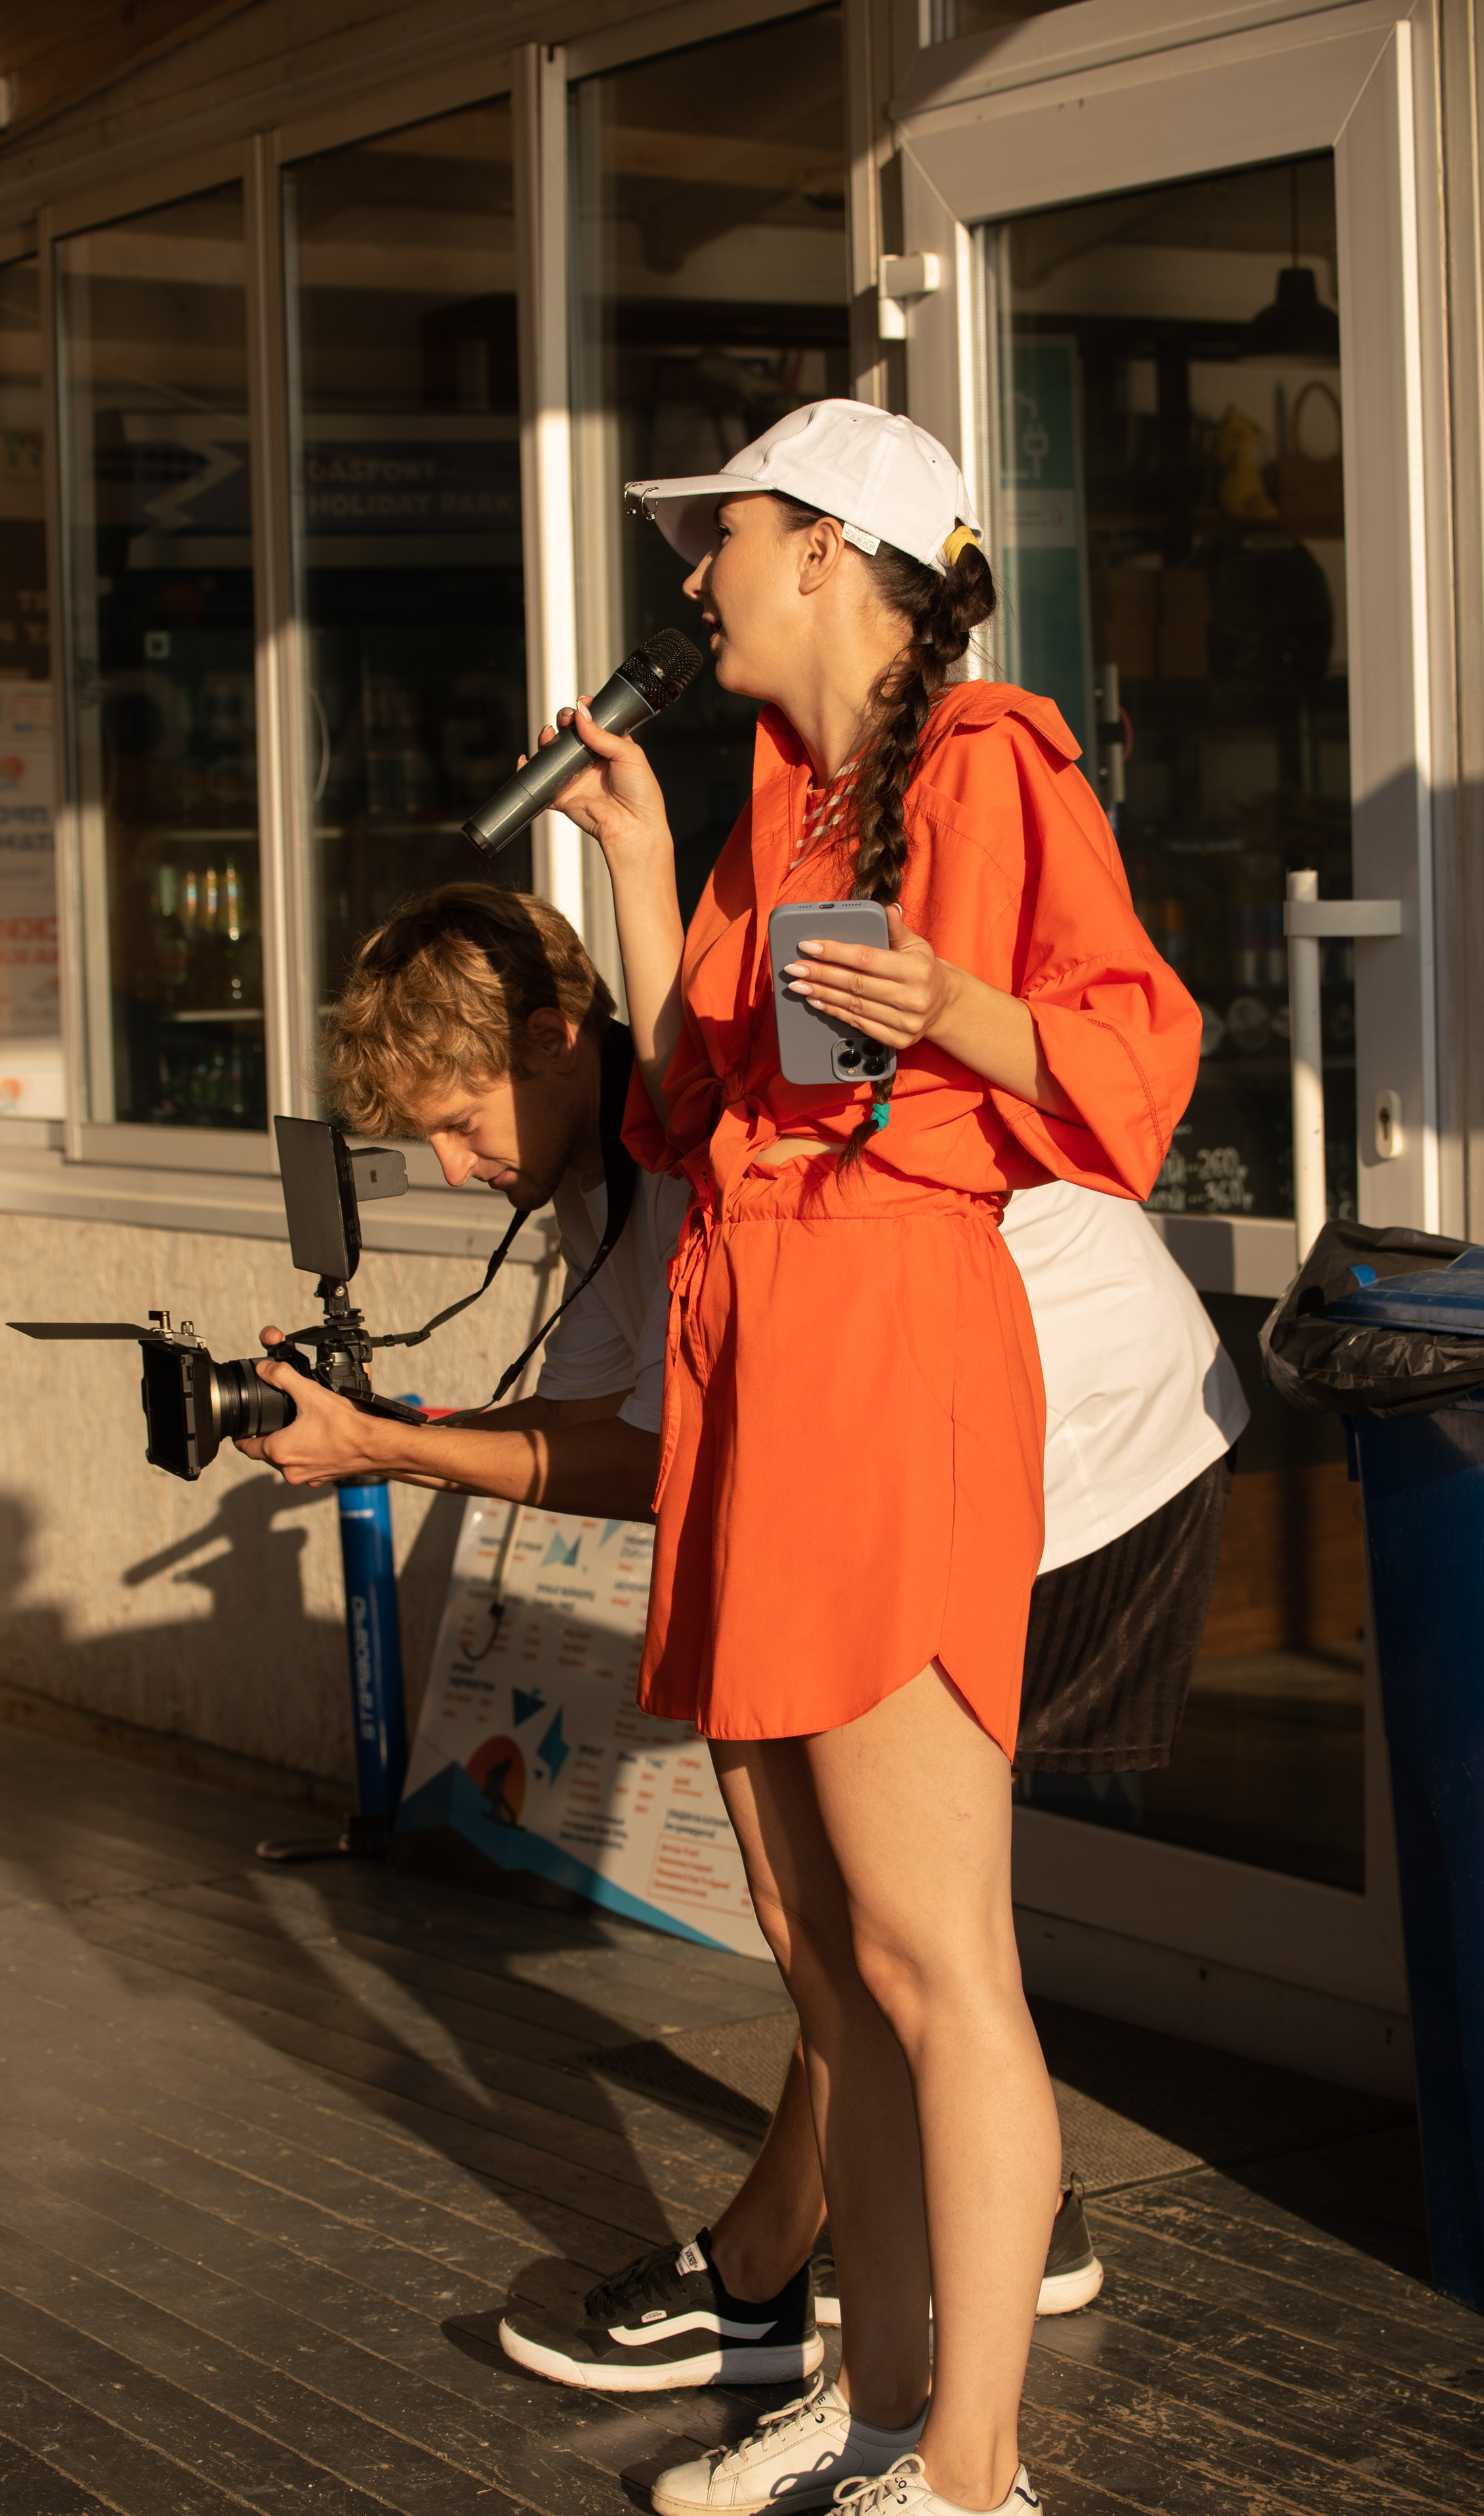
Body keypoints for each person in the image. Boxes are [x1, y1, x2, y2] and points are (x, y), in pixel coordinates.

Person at [241, 867, 1233, 2444]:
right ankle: (936, 2240)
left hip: (1080, 1451)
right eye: (420, 1139)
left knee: (877, 1928)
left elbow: (643, 1456)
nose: (448, 1163)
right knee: (865, 1931)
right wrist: (377, 1432)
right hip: (953, 1460)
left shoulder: (691, 1128)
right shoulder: (604, 1171)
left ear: (560, 1038)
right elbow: (599, 1429)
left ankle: (817, 2311)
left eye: (459, 1118)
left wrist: (388, 1446)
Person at [516, 400, 1200, 2516]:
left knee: (932, 1959)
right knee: (825, 1970)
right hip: (762, 1362)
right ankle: (885, 2399)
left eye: (719, 537)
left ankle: (974, 2476)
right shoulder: (776, 799)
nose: (693, 575)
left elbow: (1134, 1049)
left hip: (891, 1351)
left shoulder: (989, 760)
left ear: (829, 552)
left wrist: (952, 1007)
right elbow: (699, 1102)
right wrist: (637, 863)